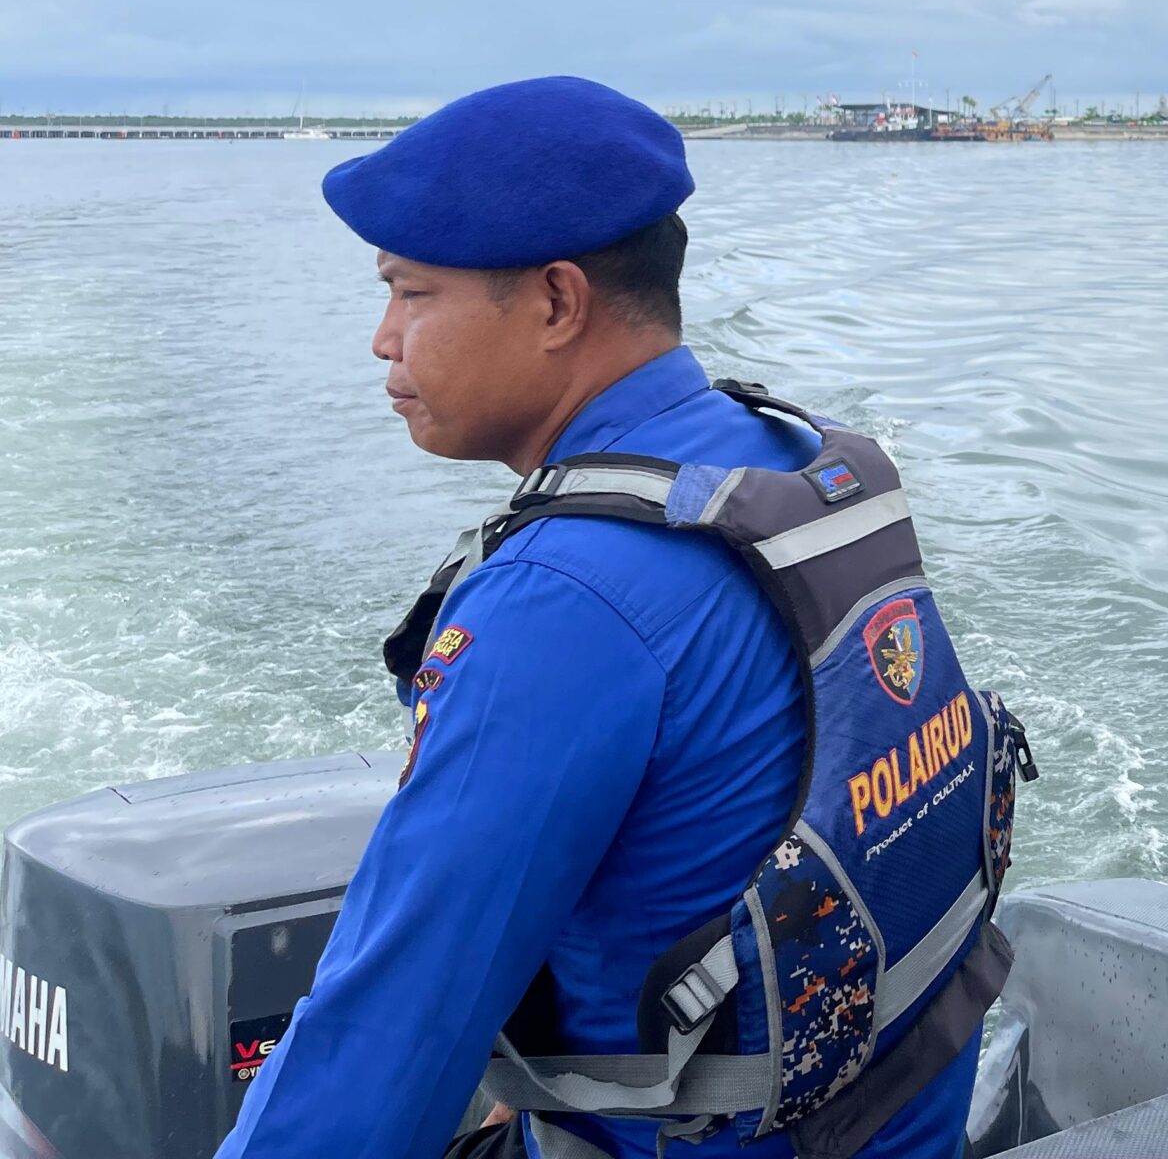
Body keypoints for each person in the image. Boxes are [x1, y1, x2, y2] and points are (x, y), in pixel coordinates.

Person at [223, 76, 1018, 1159]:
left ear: (558, 303)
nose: (382, 339)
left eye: (411, 294)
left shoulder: (562, 601)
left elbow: (384, 1039)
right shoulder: (799, 471)